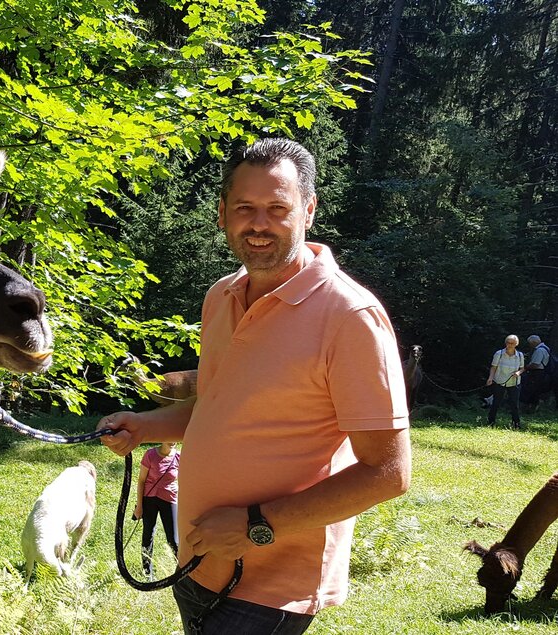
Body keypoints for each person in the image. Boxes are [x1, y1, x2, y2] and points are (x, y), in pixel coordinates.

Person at [97, 138, 412, 635]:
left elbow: (387, 473)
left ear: (307, 210)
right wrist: (143, 426)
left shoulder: (349, 316)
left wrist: (254, 525)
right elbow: (220, 407)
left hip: (271, 585)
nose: (259, 223)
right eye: (245, 208)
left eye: (277, 208)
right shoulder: (221, 296)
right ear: (223, 213)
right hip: (200, 560)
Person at [135, 442, 180, 577]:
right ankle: (147, 572)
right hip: (150, 499)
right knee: (148, 535)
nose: (172, 442)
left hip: (170, 499)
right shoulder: (150, 455)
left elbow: (184, 480)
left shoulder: (179, 456)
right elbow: (141, 481)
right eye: (169, 438)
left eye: (175, 439)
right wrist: (139, 506)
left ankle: (182, 573)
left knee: (174, 540)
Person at [486, 335, 525, 429]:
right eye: (508, 342)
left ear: (516, 344)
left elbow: (522, 368)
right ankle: (491, 422)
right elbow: (493, 367)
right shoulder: (499, 354)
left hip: (514, 383)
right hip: (499, 381)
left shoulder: (520, 355)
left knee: (514, 404)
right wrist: (490, 378)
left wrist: (518, 373)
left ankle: (516, 424)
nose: (509, 345)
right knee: (496, 402)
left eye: (512, 343)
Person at [519, 334, 551, 414]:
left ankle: (527, 409)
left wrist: (525, 368)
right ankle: (532, 409)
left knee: (530, 390)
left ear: (534, 342)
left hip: (537, 373)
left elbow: (535, 364)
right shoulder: (546, 348)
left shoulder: (539, 350)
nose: (530, 345)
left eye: (530, 343)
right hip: (541, 373)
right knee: (535, 391)